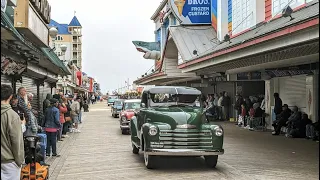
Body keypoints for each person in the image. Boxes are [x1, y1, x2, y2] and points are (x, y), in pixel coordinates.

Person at [1, 85, 25, 180]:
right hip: (9, 162)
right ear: (10, 96)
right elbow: (17, 142)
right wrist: (19, 161)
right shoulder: (12, 116)